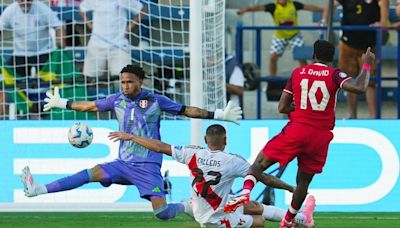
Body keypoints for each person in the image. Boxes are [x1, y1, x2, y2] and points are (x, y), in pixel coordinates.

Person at [21, 64, 242, 221]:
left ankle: (187, 205)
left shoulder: (155, 100)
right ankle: (37, 189)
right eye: (123, 82)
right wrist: (63, 103)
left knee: (162, 213)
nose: (125, 86)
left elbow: (187, 110)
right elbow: (89, 106)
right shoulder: (116, 100)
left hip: (148, 167)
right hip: (123, 163)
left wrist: (219, 114)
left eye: (129, 82)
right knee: (90, 173)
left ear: (140, 82)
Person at [223, 40, 375, 228]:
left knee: (258, 165)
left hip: (298, 129)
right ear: (331, 58)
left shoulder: (298, 73)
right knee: (303, 182)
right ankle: (287, 221)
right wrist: (367, 63)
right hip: (320, 136)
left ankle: (244, 195)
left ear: (314, 55)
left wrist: (303, 108)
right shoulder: (335, 74)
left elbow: (282, 107)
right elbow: (360, 87)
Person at [108, 124, 316, 227]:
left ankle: (304, 219)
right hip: (216, 220)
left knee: (251, 204)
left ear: (206, 139)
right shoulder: (233, 161)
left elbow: (160, 146)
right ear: (225, 140)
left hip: (209, 206)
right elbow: (264, 178)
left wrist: (132, 136)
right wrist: (291, 188)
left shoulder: (192, 152)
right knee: (259, 221)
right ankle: (302, 219)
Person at [322, 0, 389, 119]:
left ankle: (374, 117)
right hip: (348, 45)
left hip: (369, 46)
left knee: (371, 83)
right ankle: (353, 116)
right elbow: (331, 4)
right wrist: (324, 21)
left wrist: (383, 22)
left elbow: (384, 4)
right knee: (349, 82)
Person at [0, 0, 65, 118]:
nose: (25, 2)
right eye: (21, 0)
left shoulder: (42, 9)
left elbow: (59, 27)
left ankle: (51, 111)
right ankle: (18, 111)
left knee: (55, 79)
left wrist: (61, 48)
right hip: (20, 53)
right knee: (5, 77)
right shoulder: (10, 10)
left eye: (28, 0)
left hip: (44, 52)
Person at [237, 0, 323, 76]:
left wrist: (323, 10)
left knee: (301, 57)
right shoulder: (273, 7)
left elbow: (308, 7)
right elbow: (259, 7)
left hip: (294, 35)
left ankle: (307, 78)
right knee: (273, 58)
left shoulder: (293, 5)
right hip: (280, 36)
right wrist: (245, 10)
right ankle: (272, 80)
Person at [79, 0, 146, 82]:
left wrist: (128, 28)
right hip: (97, 43)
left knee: (124, 79)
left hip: (119, 44)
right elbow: (81, 9)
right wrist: (90, 25)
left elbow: (143, 10)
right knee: (90, 78)